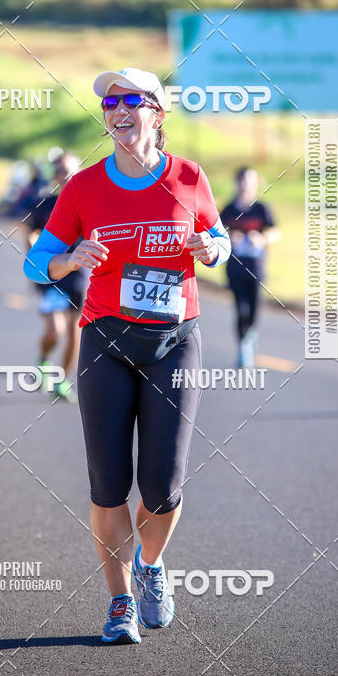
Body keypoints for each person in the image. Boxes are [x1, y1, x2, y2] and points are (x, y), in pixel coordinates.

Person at [24, 67, 231, 644]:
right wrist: (71, 259)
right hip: (105, 341)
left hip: (174, 340)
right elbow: (36, 262)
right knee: (108, 483)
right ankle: (119, 604)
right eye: (109, 102)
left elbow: (221, 239)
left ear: (157, 113)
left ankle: (149, 566)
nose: (117, 110)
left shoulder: (189, 177)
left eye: (130, 101)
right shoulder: (84, 186)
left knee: (163, 485)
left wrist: (211, 248)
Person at [25, 152, 88, 400]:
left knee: (75, 330)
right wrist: (33, 246)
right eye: (59, 171)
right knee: (55, 330)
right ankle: (43, 359)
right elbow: (31, 233)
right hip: (51, 272)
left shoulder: (88, 201)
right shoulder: (45, 203)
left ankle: (62, 379)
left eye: (68, 170)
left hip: (78, 274)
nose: (63, 176)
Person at [220, 166, 280, 367]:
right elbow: (215, 234)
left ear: (257, 184)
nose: (246, 185)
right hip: (235, 268)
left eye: (251, 181)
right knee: (240, 308)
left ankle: (250, 336)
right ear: (237, 183)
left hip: (256, 267)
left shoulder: (261, 208)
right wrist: (229, 237)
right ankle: (243, 348)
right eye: (243, 180)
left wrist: (261, 238)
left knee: (254, 308)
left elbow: (275, 231)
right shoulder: (228, 209)